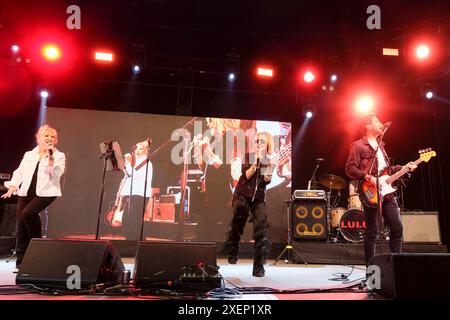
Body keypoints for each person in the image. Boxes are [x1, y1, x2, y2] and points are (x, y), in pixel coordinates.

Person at [345, 113, 416, 265]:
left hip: (387, 193)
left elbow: (387, 170)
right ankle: (371, 272)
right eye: (377, 121)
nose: (381, 123)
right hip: (370, 191)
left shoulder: (381, 147)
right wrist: (368, 177)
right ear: (368, 126)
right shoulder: (357, 145)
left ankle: (395, 267)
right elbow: (350, 168)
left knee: (397, 228)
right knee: (373, 232)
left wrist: (404, 168)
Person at [1, 125, 66, 271]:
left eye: (52, 137)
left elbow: (55, 174)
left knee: (28, 214)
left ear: (55, 140)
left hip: (47, 192)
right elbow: (20, 171)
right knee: (22, 227)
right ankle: (22, 262)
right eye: (45, 135)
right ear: (38, 138)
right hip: (26, 192)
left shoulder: (59, 156)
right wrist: (13, 186)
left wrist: (50, 158)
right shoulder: (29, 155)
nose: (49, 138)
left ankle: (38, 245)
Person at [221, 131, 276, 277]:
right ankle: (232, 250)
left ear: (268, 144)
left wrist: (270, 167)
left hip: (258, 198)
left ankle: (258, 267)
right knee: (238, 222)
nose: (258, 144)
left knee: (261, 230)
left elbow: (266, 180)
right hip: (242, 194)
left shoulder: (269, 160)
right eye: (256, 141)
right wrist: (256, 162)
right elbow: (246, 176)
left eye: (261, 141)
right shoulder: (249, 156)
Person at [119, 139, 153, 240]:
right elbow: (127, 174)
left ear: (144, 151)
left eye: (139, 149)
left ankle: (136, 241)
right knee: (128, 219)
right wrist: (126, 162)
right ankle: (131, 240)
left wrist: (128, 162)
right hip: (133, 193)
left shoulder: (145, 162)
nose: (136, 151)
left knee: (134, 219)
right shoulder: (137, 162)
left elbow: (132, 174)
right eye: (136, 148)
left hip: (139, 194)